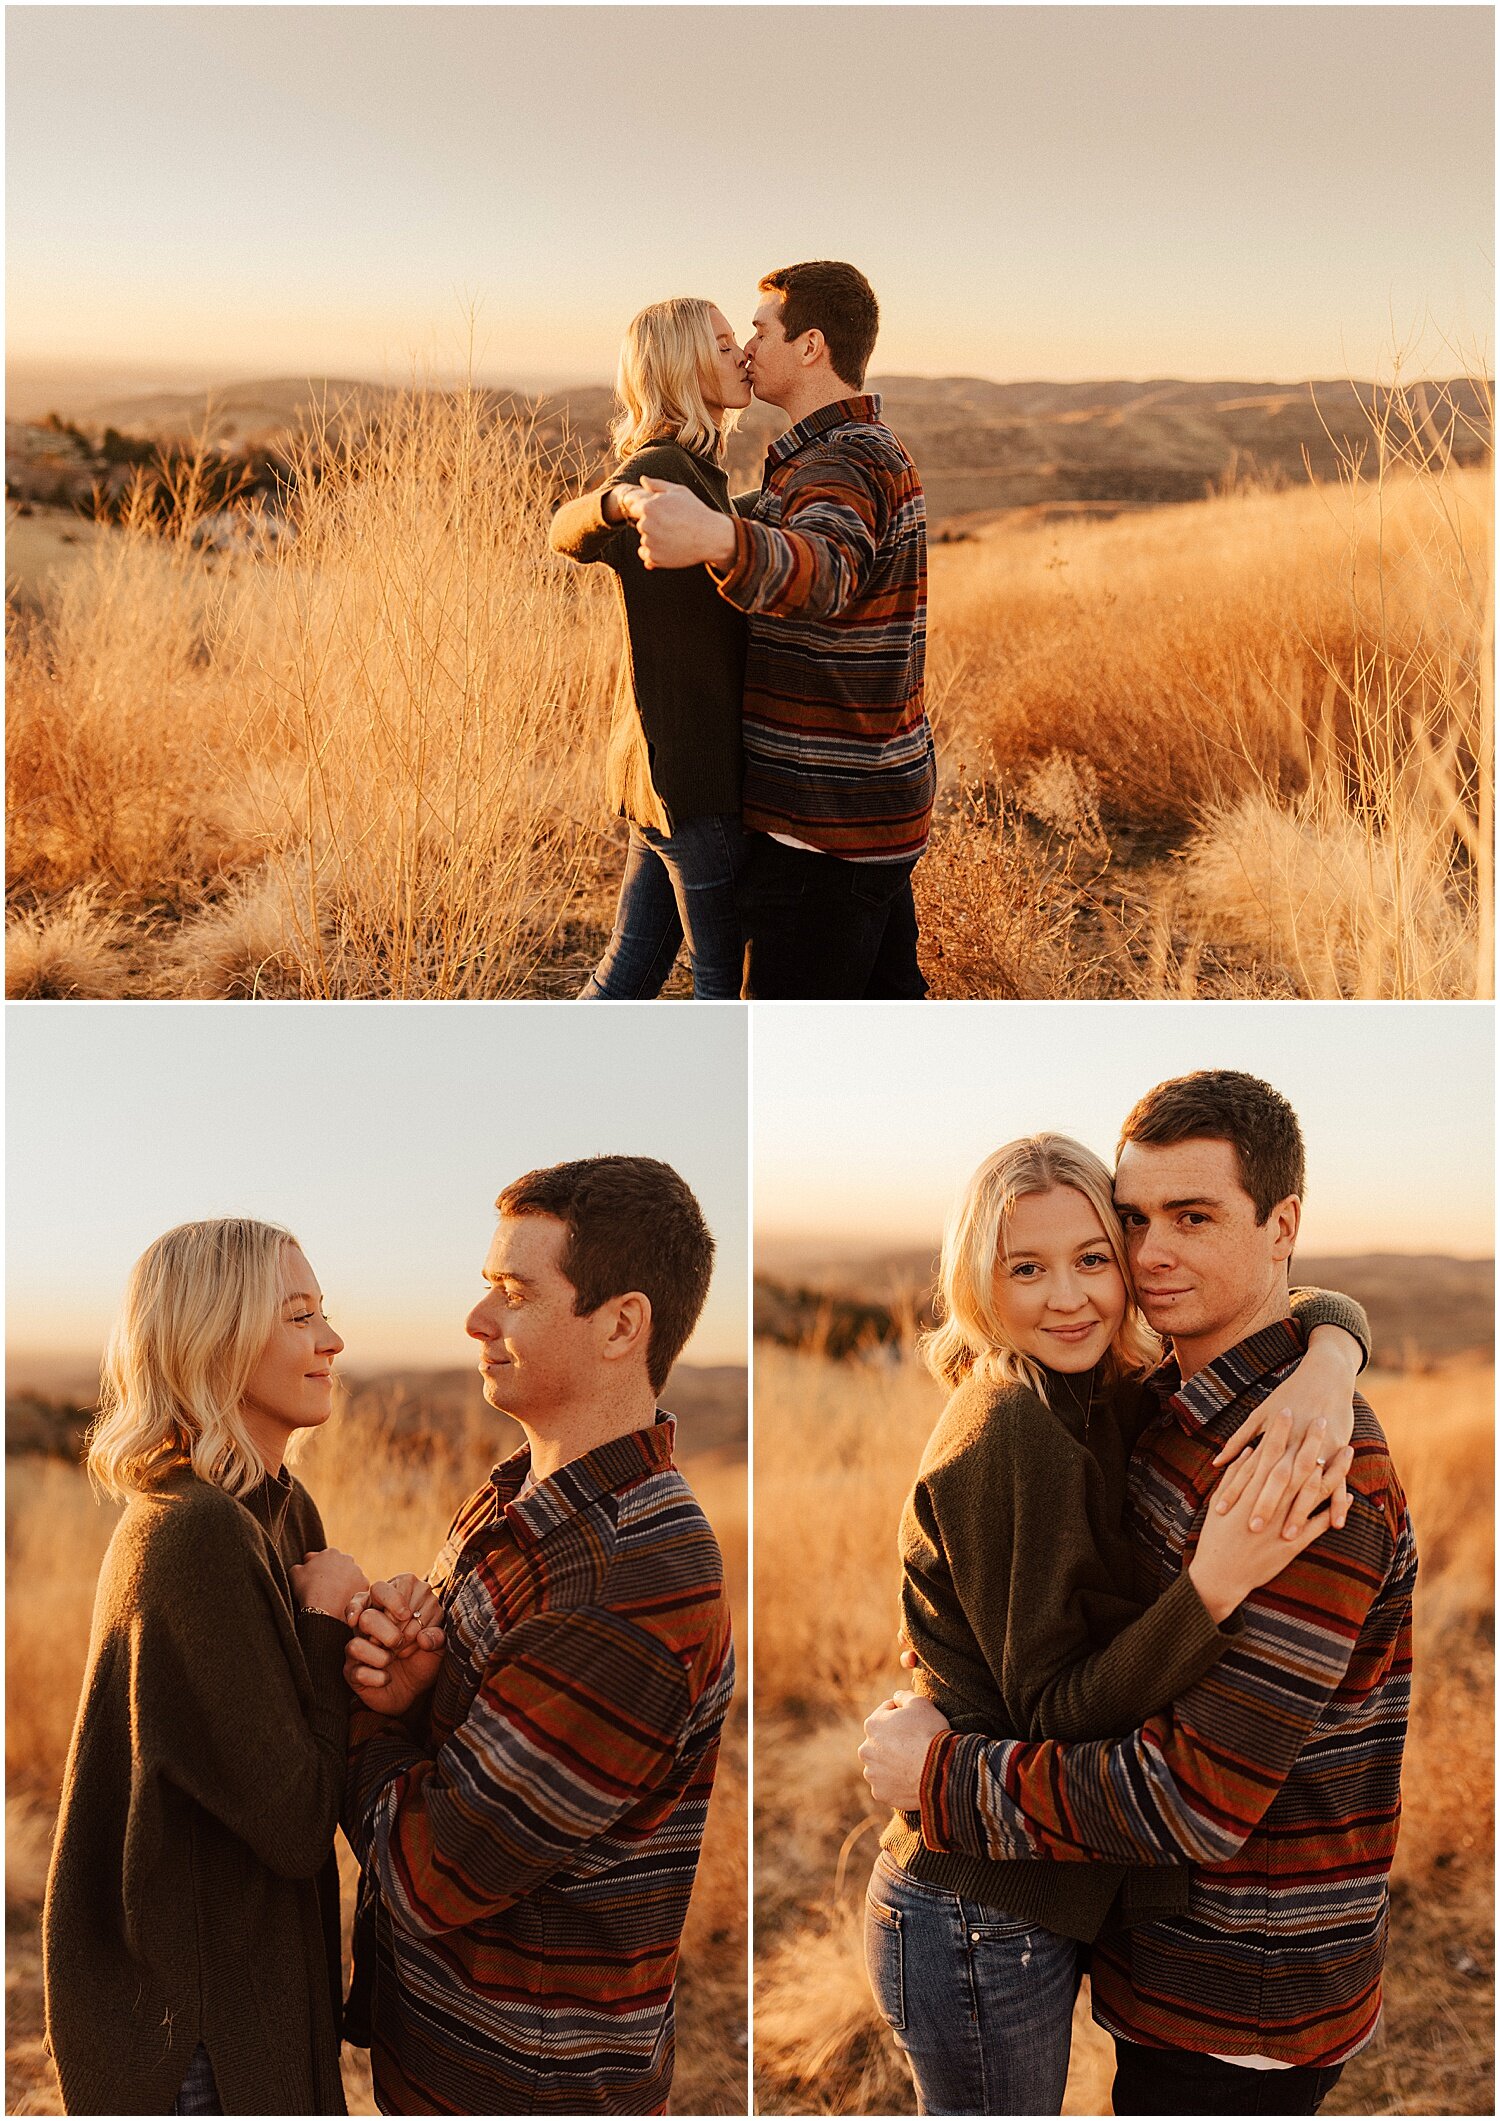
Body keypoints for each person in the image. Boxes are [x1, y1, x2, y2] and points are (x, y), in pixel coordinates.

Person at [860, 1075, 1416, 2117]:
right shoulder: (1155, 1402)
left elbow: (1191, 1800)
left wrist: (939, 1774)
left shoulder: (1302, 1468)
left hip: (1237, 2000)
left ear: (1282, 1225)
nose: (1149, 1254)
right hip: (1132, 1953)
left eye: (1193, 1217)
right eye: (1136, 1220)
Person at [339, 1156, 736, 2115]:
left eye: (514, 1293)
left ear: (620, 1324)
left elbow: (437, 1869)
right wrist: (414, 1682)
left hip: (529, 2086)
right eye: (486, 1287)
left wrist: (359, 1714)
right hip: (448, 2054)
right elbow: (478, 1739)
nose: (478, 1321)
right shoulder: (528, 1493)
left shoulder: (636, 1574)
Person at [41, 1218, 404, 2116]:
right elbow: (292, 1818)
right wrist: (328, 1627)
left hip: (253, 1990)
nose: (332, 1339)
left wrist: (382, 1657)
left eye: (323, 1310)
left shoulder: (278, 1510)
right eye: (299, 1314)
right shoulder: (193, 1531)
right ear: (216, 1338)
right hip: (195, 2035)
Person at [622, 260, 936, 999]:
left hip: (820, 832)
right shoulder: (846, 451)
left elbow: (824, 570)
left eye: (759, 331)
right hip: (872, 808)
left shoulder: (845, 460)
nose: (747, 349)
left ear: (810, 346)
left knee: (772, 1040)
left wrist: (719, 540)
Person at [550, 297, 753, 998]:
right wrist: (617, 503)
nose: (742, 355)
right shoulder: (659, 464)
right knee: (725, 991)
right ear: (685, 366)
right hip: (695, 781)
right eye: (724, 346)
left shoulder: (699, 470)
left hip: (658, 772)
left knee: (627, 974)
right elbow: (565, 529)